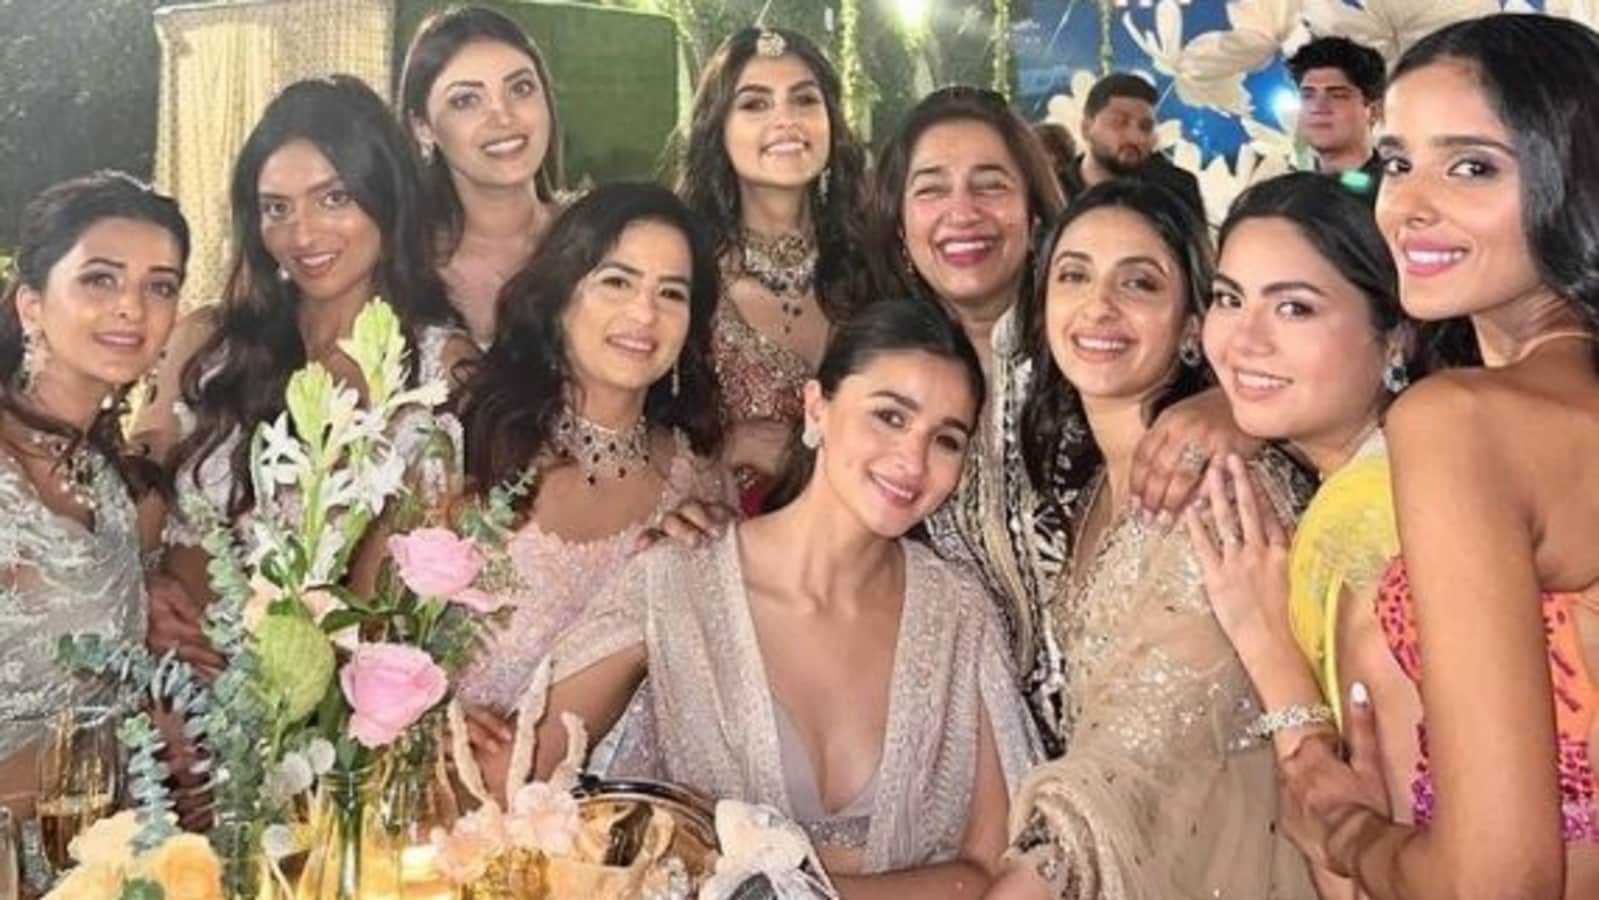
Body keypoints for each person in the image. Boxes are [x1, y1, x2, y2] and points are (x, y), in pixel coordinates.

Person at [534, 298, 1038, 894]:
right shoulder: (676, 583)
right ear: (816, 407)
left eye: (946, 440)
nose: (912, 460)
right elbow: (521, 771)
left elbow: (992, 866)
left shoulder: (960, 614)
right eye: (890, 417)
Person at [1272, 15, 1599, 898]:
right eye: (1395, 162)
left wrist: (1342, 827)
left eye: (1470, 167)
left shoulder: (1460, 423)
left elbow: (1492, 881)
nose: (1407, 205)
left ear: (1571, 179)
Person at [868, 86, 1254, 748]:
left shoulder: (1096, 349)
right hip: (979, 748)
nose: (962, 212)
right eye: (931, 189)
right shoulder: (889, 377)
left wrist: (1231, 409)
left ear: (1033, 213)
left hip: (1150, 744)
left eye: (990, 185)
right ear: (900, 227)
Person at [984, 179, 1314, 900]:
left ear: (1193, 327)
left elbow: (1136, 750)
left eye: (1138, 282)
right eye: (1073, 276)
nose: (1099, 305)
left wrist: (1025, 877)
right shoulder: (1086, 482)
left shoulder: (1217, 496)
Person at [138, 75, 474, 671]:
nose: (303, 234)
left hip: (310, 708)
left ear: (387, 198)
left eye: (333, 198)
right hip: (155, 679)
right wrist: (142, 589)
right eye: (277, 208)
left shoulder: (441, 373)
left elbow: (396, 606)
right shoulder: (207, 344)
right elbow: (136, 501)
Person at [1187, 171, 1430, 896]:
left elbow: (1386, 873)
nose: (1243, 339)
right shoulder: (1406, 468)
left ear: (1394, 337)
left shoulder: (1370, 528)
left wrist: (1272, 657)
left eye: (1293, 308)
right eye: (1228, 299)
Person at [451, 183, 727, 782]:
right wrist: (424, 721)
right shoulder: (464, 450)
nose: (644, 314)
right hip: (456, 806)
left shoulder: (701, 486)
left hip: (635, 827)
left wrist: (719, 560)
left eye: (671, 293)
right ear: (557, 298)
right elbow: (361, 653)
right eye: (617, 282)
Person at [0, 172, 188, 796]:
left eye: (159, 286)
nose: (132, 307)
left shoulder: (106, 479)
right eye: (100, 279)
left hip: (102, 840)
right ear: (32, 305)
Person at [677, 26, 869, 511]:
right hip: (719, 540)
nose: (786, 120)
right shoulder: (683, 276)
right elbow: (624, 422)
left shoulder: (879, 267)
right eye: (755, 104)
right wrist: (726, 447)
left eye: (804, 100)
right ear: (717, 130)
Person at [399, 5, 564, 346]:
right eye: (466, 100)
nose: (503, 117)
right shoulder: (402, 265)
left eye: (520, 88)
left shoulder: (601, 240)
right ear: (422, 128)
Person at [1059, 73, 1205, 222]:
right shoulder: (1053, 192)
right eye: (1119, 122)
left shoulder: (1178, 190)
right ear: (1086, 128)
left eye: (1145, 127)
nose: (1136, 137)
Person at [1287, 37, 1386, 204]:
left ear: (1374, 111)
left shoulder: (1395, 192)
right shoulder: (1288, 196)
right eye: (1308, 96)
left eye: (1337, 96)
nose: (1318, 107)